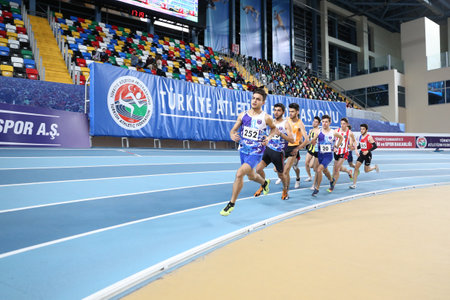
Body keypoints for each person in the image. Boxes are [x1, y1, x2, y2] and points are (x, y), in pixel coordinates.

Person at [220, 88, 278, 216]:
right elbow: (233, 130)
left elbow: (274, 129)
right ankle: (264, 183)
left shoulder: (266, 117)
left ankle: (231, 204)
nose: (255, 101)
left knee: (239, 174)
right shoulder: (243, 115)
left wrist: (268, 138)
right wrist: (232, 135)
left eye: (258, 99)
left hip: (256, 151)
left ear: (263, 102)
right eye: (253, 98)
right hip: (243, 150)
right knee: (251, 176)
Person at [254, 103, 294, 200]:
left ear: (283, 112)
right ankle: (264, 184)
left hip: (278, 153)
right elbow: (270, 135)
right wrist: (266, 139)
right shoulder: (271, 122)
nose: (276, 112)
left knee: (281, 175)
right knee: (258, 169)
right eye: (275, 110)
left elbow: (292, 140)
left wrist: (281, 134)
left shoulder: (286, 124)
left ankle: (285, 190)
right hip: (268, 150)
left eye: (278, 110)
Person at [275, 103, 308, 189]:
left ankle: (296, 180)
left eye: (292, 112)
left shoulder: (300, 124)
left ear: (297, 112)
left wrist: (298, 148)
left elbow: (306, 140)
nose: (290, 113)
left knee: (291, 169)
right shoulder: (286, 120)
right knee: (276, 169)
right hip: (285, 146)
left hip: (294, 147)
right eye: (289, 111)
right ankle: (282, 175)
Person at [310, 115, 343, 196]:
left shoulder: (333, 132)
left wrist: (336, 146)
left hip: (328, 155)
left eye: (326, 122)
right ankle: (331, 180)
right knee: (325, 171)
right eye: (323, 122)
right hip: (320, 154)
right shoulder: (318, 131)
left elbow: (341, 138)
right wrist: (313, 141)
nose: (324, 123)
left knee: (319, 170)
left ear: (329, 123)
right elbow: (313, 140)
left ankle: (317, 188)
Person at [328, 117, 356, 192]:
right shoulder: (337, 130)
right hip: (336, 151)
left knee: (336, 168)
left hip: (344, 152)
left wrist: (354, 148)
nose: (342, 125)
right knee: (337, 168)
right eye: (341, 124)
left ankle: (332, 185)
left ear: (347, 124)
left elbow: (354, 141)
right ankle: (348, 172)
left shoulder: (350, 133)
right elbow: (332, 138)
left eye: (344, 124)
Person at [350, 124, 379, 189]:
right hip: (362, 154)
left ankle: (374, 167)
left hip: (368, 155)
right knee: (356, 168)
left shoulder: (369, 137)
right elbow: (360, 146)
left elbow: (375, 146)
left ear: (366, 130)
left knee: (366, 170)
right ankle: (354, 184)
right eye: (361, 129)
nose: (361, 130)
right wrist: (354, 148)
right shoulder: (360, 137)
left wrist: (368, 151)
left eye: (363, 129)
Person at [304, 116, 321, 182]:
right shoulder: (311, 130)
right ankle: (310, 176)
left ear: (319, 124)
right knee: (306, 163)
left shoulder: (319, 131)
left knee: (312, 166)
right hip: (310, 149)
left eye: (316, 122)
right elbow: (308, 138)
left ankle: (321, 170)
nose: (314, 123)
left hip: (316, 151)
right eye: (314, 121)